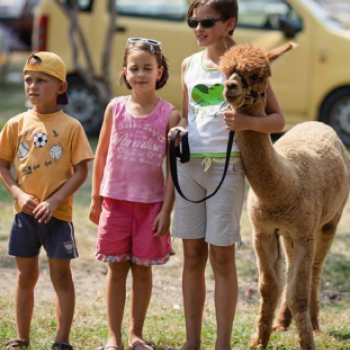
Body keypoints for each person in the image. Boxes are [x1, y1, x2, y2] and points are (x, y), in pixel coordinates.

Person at [169, 1, 285, 349]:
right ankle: (192, 341)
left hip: (227, 168)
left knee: (222, 257)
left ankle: (222, 343)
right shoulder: (189, 64)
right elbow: (189, 116)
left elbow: (277, 120)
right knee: (191, 257)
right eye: (193, 21)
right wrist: (179, 129)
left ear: (229, 22)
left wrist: (249, 122)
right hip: (189, 170)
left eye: (206, 21)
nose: (198, 28)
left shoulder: (246, 65)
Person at [89, 38, 180, 350]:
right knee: (116, 271)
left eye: (147, 68)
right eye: (134, 68)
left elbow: (173, 171)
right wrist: (95, 197)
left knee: (142, 272)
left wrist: (166, 211)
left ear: (160, 72)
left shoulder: (170, 116)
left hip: (151, 207)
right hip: (115, 203)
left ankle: (135, 334)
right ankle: (113, 337)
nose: (140, 74)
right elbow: (100, 155)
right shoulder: (114, 109)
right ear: (125, 73)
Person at [0, 52, 94, 350]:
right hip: (24, 217)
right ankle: (21, 337)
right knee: (25, 276)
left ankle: (62, 340)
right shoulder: (15, 124)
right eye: (28, 80)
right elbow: (2, 165)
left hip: (58, 217)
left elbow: (81, 172)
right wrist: (17, 193)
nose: (32, 86)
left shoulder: (71, 127)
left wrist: (54, 201)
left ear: (61, 87)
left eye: (41, 80)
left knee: (61, 277)